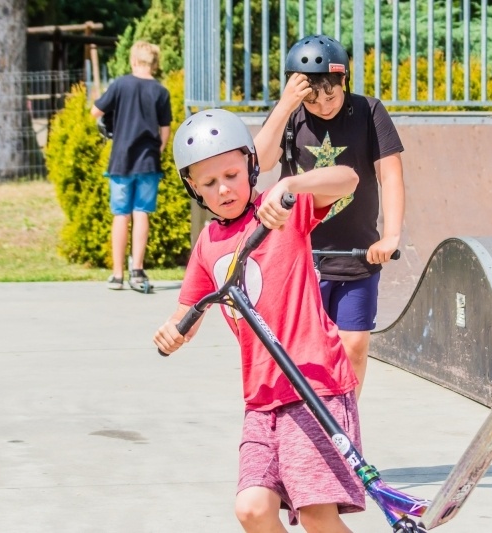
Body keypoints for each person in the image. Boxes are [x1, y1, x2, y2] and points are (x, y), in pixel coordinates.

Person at [154, 109, 363, 532]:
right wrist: (173, 331)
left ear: (251, 165)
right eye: (209, 183)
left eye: (231, 174)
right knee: (252, 508)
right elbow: (189, 311)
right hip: (261, 397)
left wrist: (290, 184)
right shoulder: (208, 244)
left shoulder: (280, 210)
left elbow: (348, 179)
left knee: (316, 515)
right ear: (193, 188)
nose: (223, 189)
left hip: (312, 384)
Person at [254, 34, 406, 398]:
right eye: (311, 99)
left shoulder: (369, 112)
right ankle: (305, 430)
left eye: (331, 96)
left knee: (352, 345)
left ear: (344, 82)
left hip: (356, 255)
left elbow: (391, 174)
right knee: (301, 352)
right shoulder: (290, 118)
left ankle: (345, 423)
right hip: (301, 258)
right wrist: (285, 105)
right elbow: (258, 163)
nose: (322, 106)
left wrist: (391, 235)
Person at [90, 40, 172, 290]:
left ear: (133, 61)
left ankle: (117, 275)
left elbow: (95, 112)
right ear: (154, 63)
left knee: (120, 214)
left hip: (121, 160)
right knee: (141, 212)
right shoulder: (160, 91)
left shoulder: (120, 84)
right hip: (148, 160)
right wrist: (157, 150)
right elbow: (165, 130)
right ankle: (137, 270)